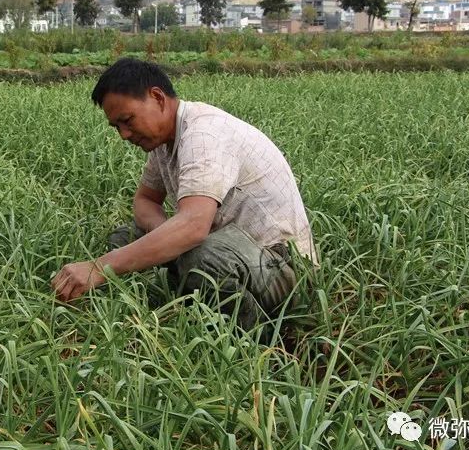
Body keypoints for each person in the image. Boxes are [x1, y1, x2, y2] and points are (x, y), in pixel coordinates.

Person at [51, 57, 316, 329]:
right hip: (227, 250)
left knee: (201, 257)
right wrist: (170, 238)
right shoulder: (163, 142)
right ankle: (173, 304)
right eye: (116, 126)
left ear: (157, 97)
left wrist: (100, 267)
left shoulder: (204, 134)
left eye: (127, 120)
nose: (124, 134)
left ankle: (256, 336)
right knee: (126, 236)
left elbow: (193, 226)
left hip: (279, 265)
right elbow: (145, 200)